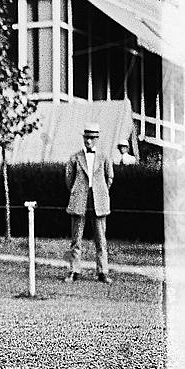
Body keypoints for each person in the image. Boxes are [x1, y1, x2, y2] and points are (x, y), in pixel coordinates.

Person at [64, 122, 115, 284]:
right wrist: (78, 193)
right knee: (76, 239)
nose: (88, 141)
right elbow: (68, 180)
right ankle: (74, 271)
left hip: (98, 202)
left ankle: (102, 271)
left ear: (97, 139)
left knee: (101, 240)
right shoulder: (75, 157)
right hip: (80, 201)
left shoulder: (104, 157)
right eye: (86, 138)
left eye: (92, 138)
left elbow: (110, 178)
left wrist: (101, 193)